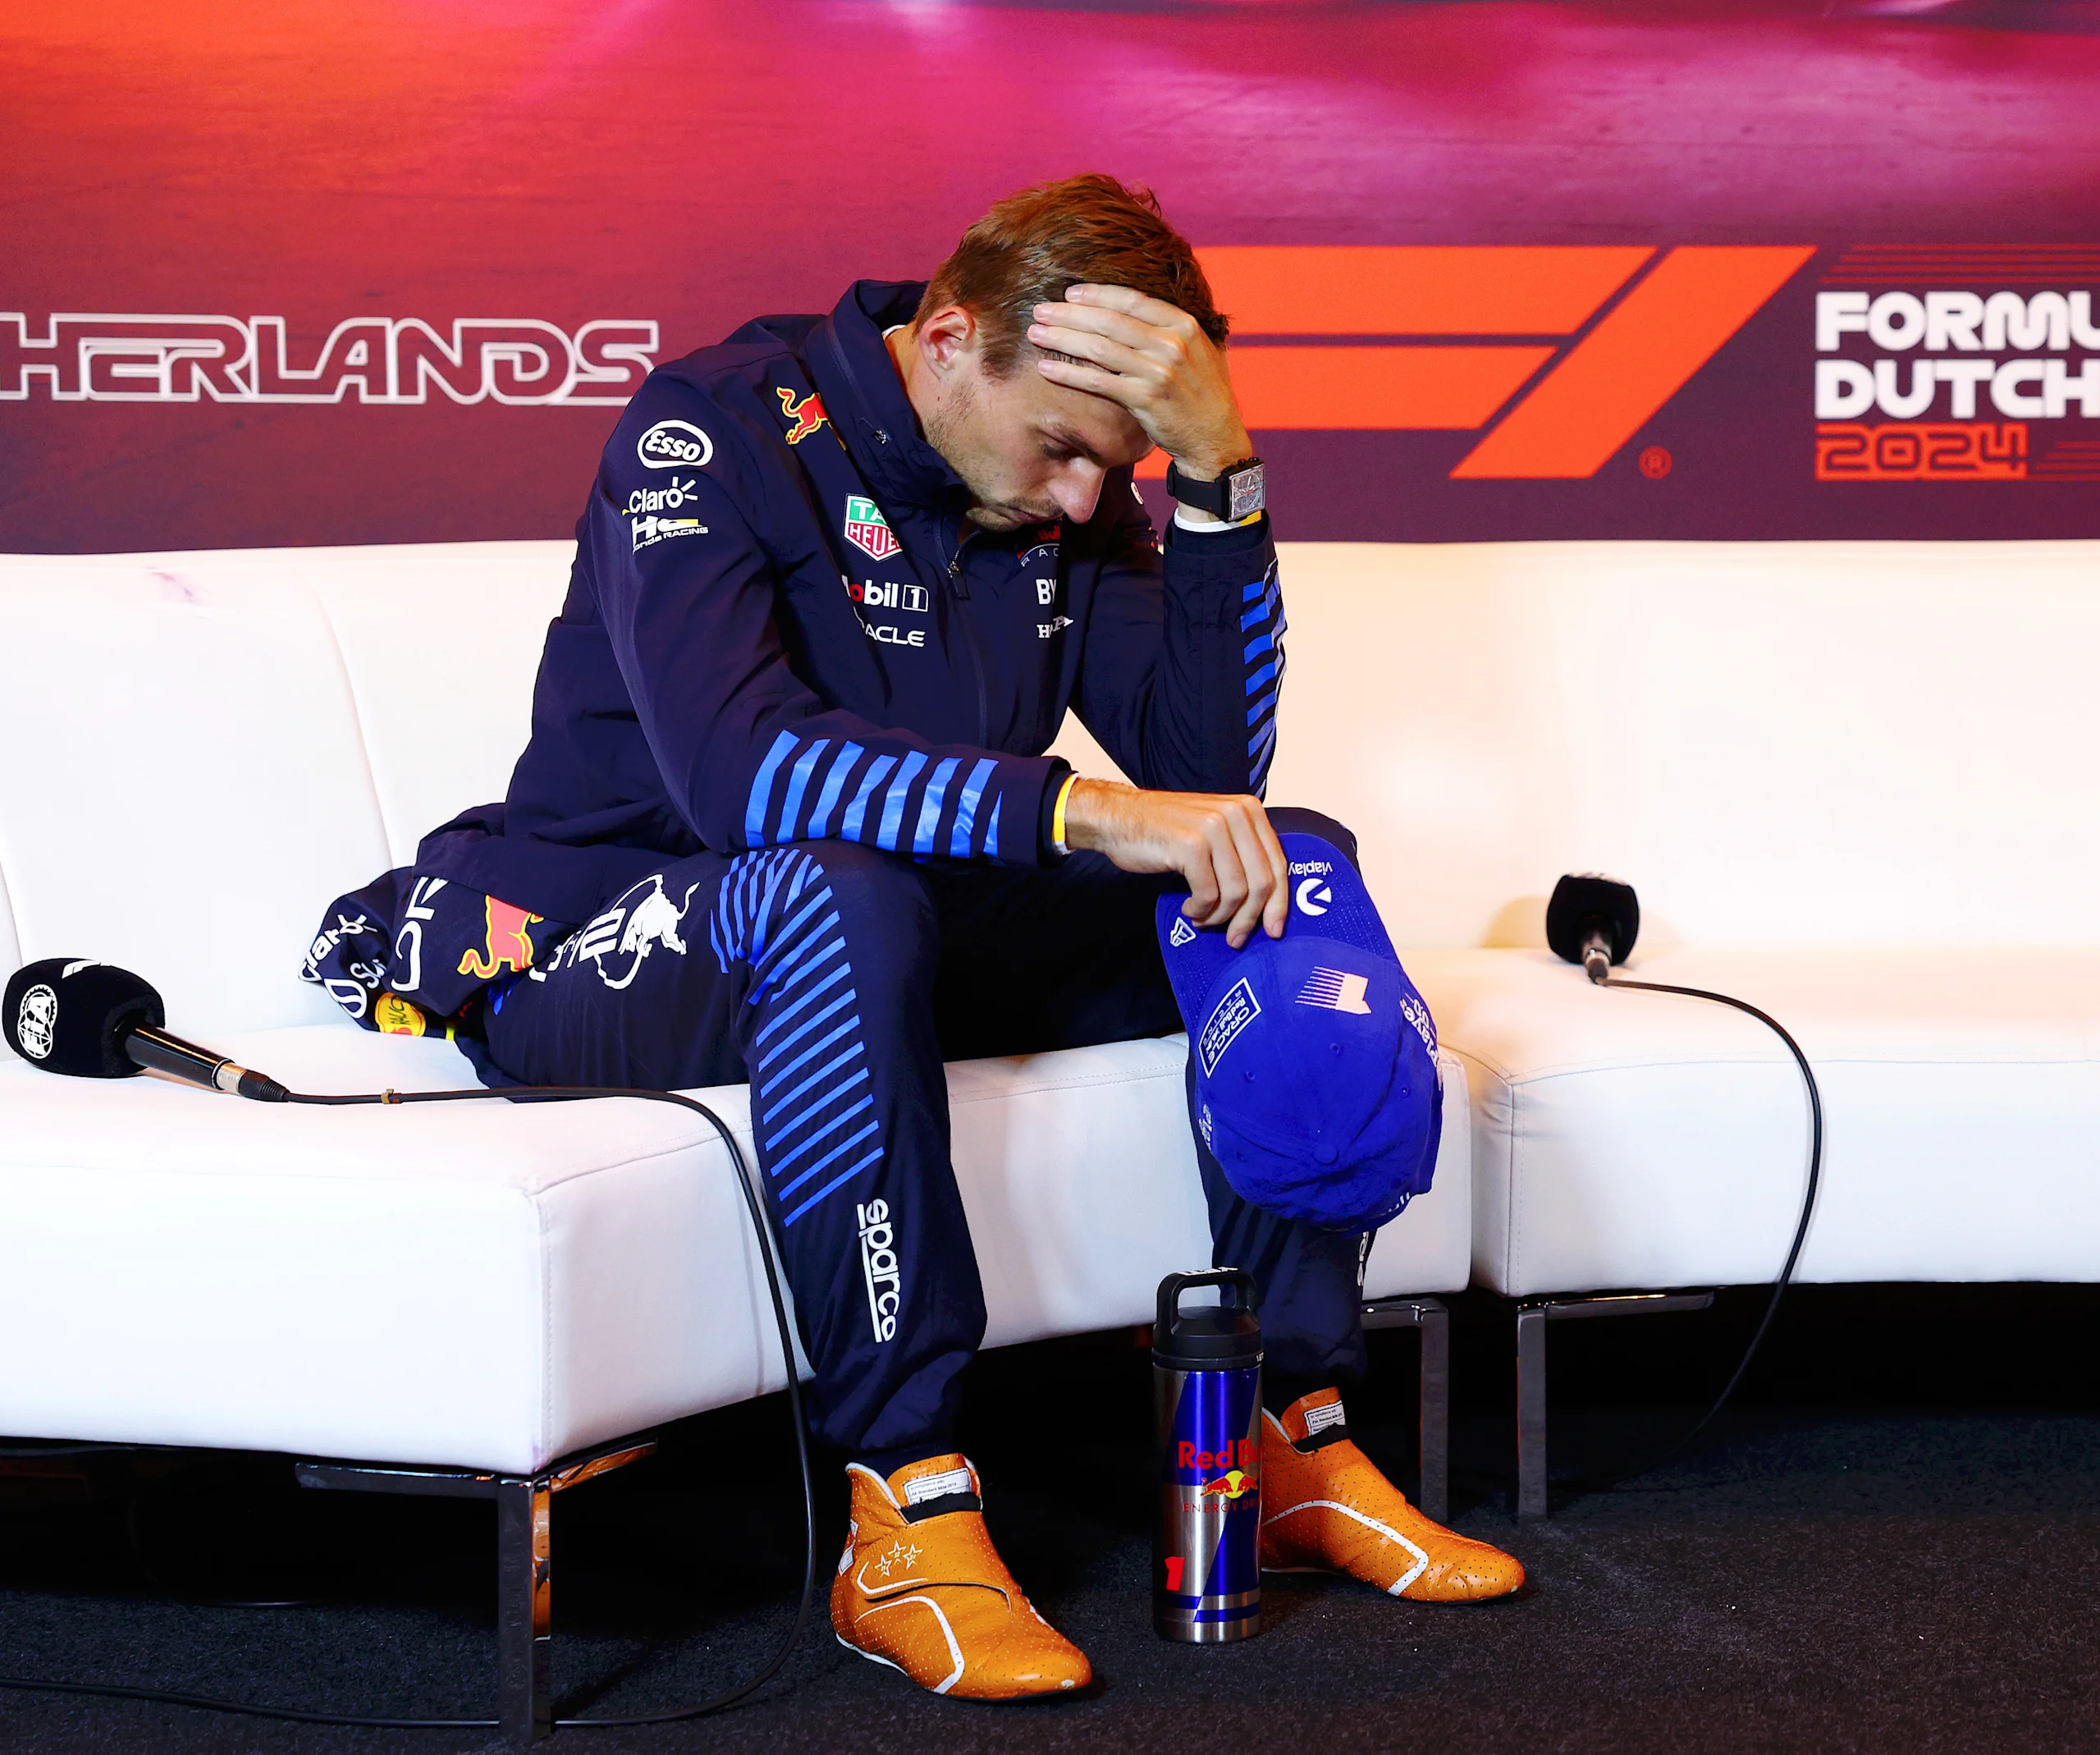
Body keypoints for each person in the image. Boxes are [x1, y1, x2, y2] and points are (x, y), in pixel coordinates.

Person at [299, 174, 1521, 1699]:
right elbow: (739, 776)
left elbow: (1209, 775)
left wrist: (1220, 479)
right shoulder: (709, 426)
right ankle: (906, 1501)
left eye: (1123, 466)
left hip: (899, 935)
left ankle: (1284, 1437)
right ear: (948, 340)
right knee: (832, 891)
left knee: (1290, 870)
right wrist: (1079, 813)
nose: (1088, 500)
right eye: (1069, 452)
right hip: (607, 933)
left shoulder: (1065, 491)